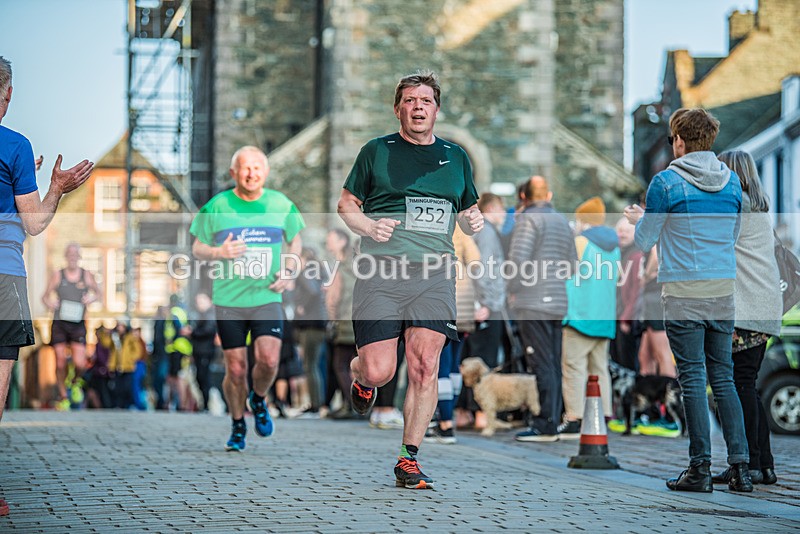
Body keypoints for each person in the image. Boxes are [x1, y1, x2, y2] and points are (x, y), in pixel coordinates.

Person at [337, 70, 482, 489]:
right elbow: (347, 204)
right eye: (410, 100)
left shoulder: (456, 157)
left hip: (435, 275)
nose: (418, 107)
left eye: (426, 100)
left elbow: (468, 215)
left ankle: (408, 458)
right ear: (398, 108)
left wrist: (472, 221)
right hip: (381, 272)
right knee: (381, 371)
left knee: (424, 365)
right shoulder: (376, 151)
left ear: (436, 109)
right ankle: (362, 376)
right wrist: (366, 227)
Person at [624, 108, 752, 493]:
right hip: (722, 290)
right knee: (724, 379)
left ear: (679, 140)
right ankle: (741, 469)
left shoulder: (666, 183)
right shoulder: (732, 184)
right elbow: (735, 235)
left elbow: (644, 241)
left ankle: (699, 469)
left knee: (693, 380)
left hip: (683, 293)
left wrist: (639, 219)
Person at [0, 56, 93, 516]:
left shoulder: (17, 153)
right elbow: (34, 223)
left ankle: (69, 394)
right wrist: (54, 187)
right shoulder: (13, 145)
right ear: (8, 94)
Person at [190, 145, 303, 451]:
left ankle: (259, 398)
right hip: (229, 300)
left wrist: (290, 270)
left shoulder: (280, 204)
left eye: (257, 167)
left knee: (268, 360)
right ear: (233, 173)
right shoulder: (217, 206)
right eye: (245, 168)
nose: (251, 173)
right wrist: (218, 252)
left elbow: (296, 242)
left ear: (265, 173)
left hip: (267, 296)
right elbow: (197, 247)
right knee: (236, 369)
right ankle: (238, 422)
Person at [711, 150, 782, 486]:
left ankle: (750, 461)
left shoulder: (735, 204)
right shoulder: (759, 207)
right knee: (748, 385)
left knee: (739, 384)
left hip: (746, 307)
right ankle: (763, 464)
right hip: (766, 306)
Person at [508, 176, 577, 442]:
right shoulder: (561, 219)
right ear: (548, 196)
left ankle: (545, 423)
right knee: (553, 361)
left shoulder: (527, 219)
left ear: (524, 197)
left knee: (540, 361)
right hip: (558, 299)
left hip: (533, 300)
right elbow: (572, 264)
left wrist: (513, 289)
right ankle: (554, 417)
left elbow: (518, 261)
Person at [560, 197, 619, 438]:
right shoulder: (614, 246)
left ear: (583, 220)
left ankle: (574, 418)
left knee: (574, 368)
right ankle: (603, 414)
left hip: (580, 315)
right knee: (600, 369)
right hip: (605, 316)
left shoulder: (580, 242)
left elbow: (567, 275)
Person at [41, 243, 101, 410]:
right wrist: (50, 303)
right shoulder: (58, 275)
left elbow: (98, 293)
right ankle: (64, 396)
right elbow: (45, 296)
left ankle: (74, 382)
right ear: (66, 256)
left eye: (76, 254)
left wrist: (91, 299)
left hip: (78, 324)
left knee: (80, 363)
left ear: (79, 256)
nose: (73, 257)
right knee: (60, 362)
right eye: (70, 254)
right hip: (60, 322)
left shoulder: (85, 275)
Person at [610, 216, 643, 372]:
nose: (622, 234)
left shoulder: (636, 255)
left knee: (627, 363)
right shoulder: (617, 253)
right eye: (620, 230)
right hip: (615, 317)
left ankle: (629, 396)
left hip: (626, 319)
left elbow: (637, 291)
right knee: (616, 361)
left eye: (627, 231)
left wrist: (626, 319)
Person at [190, 292, 217, 410]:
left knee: (204, 377)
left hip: (205, 351)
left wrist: (192, 332)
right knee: (199, 377)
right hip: (199, 351)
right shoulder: (201, 314)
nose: (199, 304)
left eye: (201, 301)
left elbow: (208, 330)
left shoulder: (210, 314)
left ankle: (206, 404)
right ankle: (204, 403)